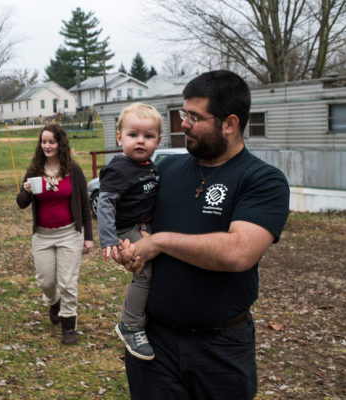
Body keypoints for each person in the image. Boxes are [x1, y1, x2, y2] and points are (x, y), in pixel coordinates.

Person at [117, 70, 290, 399]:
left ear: (230, 123)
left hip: (221, 348)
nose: (183, 124)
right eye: (184, 113)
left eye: (195, 117)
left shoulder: (262, 180)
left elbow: (238, 252)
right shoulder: (165, 170)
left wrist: (160, 242)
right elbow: (136, 223)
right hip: (155, 345)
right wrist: (130, 247)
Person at [16, 124, 94, 345]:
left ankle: (69, 325)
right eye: (44, 142)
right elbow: (22, 203)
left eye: (51, 141)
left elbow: (85, 206)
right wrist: (26, 191)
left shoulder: (74, 170)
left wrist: (88, 236)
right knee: (46, 281)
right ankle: (54, 301)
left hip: (69, 233)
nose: (47, 146)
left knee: (67, 281)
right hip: (42, 236)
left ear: (60, 143)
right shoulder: (34, 171)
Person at [97, 103, 161, 361]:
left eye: (148, 136)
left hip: (144, 225)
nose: (140, 141)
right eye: (133, 135)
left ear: (158, 140)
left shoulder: (149, 165)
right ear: (119, 137)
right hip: (125, 229)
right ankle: (130, 324)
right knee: (143, 272)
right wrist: (109, 238)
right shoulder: (118, 169)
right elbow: (105, 204)